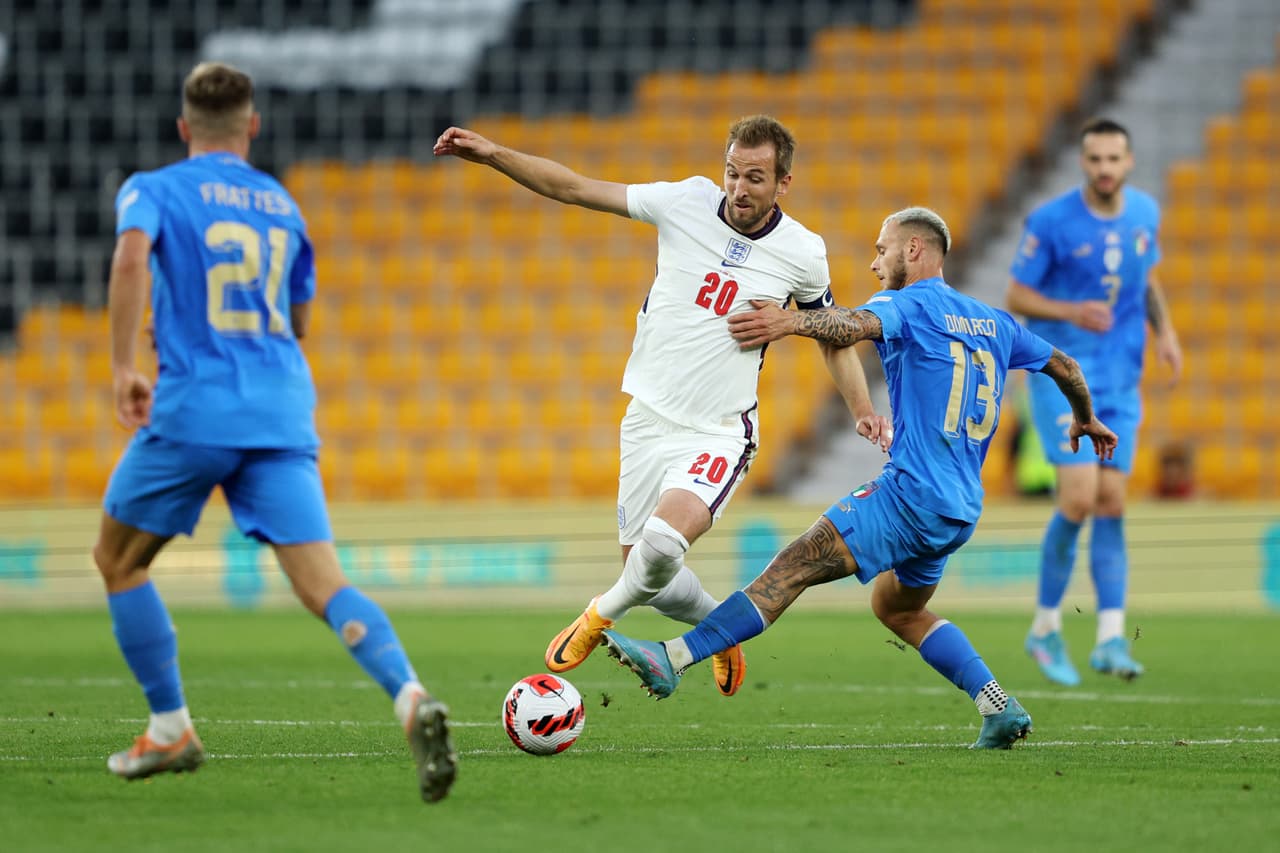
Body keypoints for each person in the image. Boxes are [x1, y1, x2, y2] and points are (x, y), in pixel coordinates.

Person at [600, 207, 1119, 749]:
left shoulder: (910, 303)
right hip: (960, 508)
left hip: (911, 497)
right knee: (897, 608)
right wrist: (1084, 417)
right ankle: (998, 705)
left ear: (914, 250)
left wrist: (789, 321)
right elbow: (1067, 366)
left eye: (882, 249)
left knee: (792, 567)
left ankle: (672, 658)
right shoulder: (996, 323)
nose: (875, 263)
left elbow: (849, 326)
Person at [96, 62, 456, 801]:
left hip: (196, 406)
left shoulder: (152, 188)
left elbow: (131, 257)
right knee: (325, 583)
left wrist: (124, 365)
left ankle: (170, 727)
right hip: (280, 411)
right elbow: (296, 319)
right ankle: (409, 693)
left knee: (119, 559)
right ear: (252, 127)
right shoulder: (282, 204)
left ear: (184, 127)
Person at [433, 116, 887, 696]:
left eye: (754, 178)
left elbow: (832, 333)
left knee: (664, 544)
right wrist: (494, 153)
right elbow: (573, 187)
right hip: (647, 419)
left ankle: (599, 614)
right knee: (647, 571)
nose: (739, 188)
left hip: (719, 429)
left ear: (783, 183)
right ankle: (720, 626)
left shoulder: (802, 251)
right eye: (732, 173)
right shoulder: (685, 202)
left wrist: (860, 406)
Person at [1007, 118, 1182, 686]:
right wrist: (1070, 312)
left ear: (1128, 163)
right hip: (1063, 373)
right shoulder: (1051, 221)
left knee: (1111, 502)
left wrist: (1166, 333)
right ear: (1083, 163)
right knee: (1079, 498)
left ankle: (1110, 639)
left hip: (1121, 375)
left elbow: (1145, 279)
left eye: (1113, 159)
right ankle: (1044, 628)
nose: (1104, 168)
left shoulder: (1144, 214)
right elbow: (1016, 294)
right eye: (1095, 159)